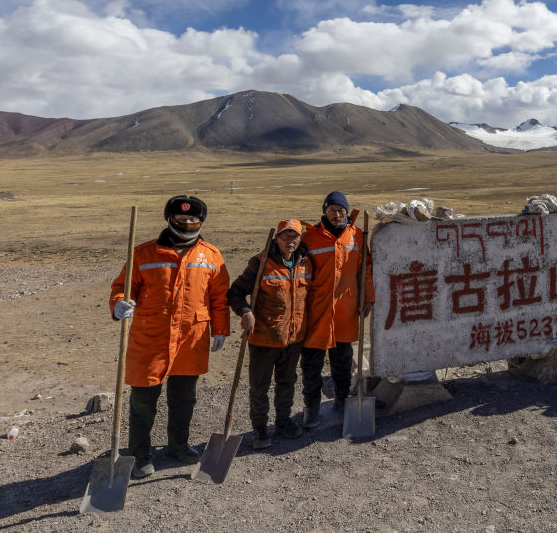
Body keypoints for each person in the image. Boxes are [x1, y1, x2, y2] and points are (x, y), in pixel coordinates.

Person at [109, 195, 230, 479]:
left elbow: (219, 298)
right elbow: (123, 287)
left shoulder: (211, 256)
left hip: (191, 339)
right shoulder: (143, 254)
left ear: (201, 222)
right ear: (169, 219)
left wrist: (221, 329)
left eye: (193, 220)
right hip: (150, 340)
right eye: (181, 219)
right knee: (143, 402)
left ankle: (178, 445)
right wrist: (118, 304)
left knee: (184, 400)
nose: (187, 224)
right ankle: (139, 455)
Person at [228, 219, 311, 447]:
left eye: (294, 236)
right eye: (286, 236)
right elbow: (235, 292)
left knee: (287, 382)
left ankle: (283, 423)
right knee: (259, 387)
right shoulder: (260, 262)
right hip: (264, 338)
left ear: (300, 238)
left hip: (294, 337)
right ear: (277, 238)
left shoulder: (306, 262)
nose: (290, 240)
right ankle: (260, 430)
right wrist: (246, 312)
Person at [299, 191, 374, 429]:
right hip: (317, 310)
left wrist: (368, 296)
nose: (337, 214)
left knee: (343, 359)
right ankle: (311, 408)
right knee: (312, 362)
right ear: (324, 211)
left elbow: (366, 269)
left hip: (346, 309)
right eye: (332, 210)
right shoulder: (309, 238)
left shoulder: (357, 236)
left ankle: (342, 401)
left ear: (346, 212)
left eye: (341, 210)